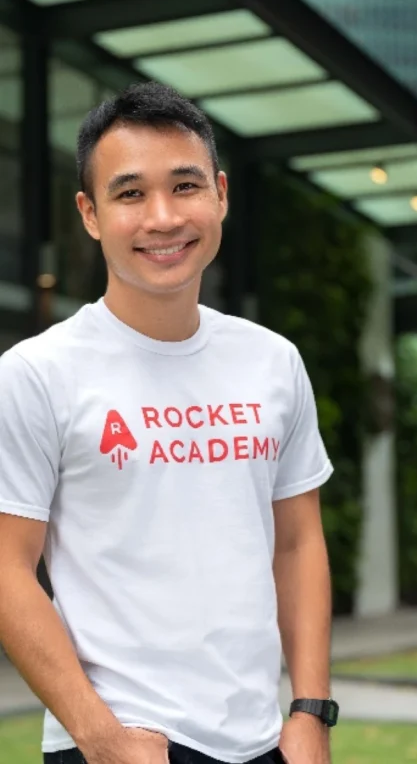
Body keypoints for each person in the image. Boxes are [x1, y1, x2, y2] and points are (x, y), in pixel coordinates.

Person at [0, 82, 339, 764]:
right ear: (90, 214)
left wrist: (309, 712)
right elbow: (8, 566)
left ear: (220, 194)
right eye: (129, 194)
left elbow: (297, 544)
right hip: (123, 744)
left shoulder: (273, 361)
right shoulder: (37, 372)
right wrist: (99, 736)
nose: (162, 217)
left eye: (184, 186)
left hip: (265, 741)